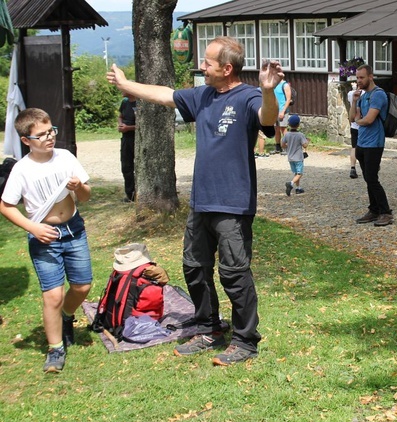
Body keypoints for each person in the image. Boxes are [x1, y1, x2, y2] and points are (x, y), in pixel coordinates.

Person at [106, 36, 280, 366]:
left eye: (208, 62)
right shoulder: (203, 96)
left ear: (226, 69)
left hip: (232, 204)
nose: (201, 66)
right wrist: (128, 84)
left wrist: (269, 90)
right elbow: (164, 95)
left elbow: (268, 119)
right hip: (201, 202)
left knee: (234, 272)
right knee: (195, 267)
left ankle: (245, 340)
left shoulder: (248, 97)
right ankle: (208, 327)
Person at [0, 108, 93, 373]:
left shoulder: (65, 157)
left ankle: (66, 316)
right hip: (44, 235)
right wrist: (34, 228)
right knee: (52, 295)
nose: (50, 137)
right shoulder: (21, 170)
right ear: (26, 140)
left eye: (51, 131)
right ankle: (55, 350)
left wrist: (80, 188)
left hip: (74, 230)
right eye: (41, 135)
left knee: (82, 287)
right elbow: (6, 206)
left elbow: (85, 197)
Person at [349, 64, 393, 227]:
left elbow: (368, 120)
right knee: (368, 178)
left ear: (371, 77)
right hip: (361, 142)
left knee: (372, 178)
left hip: (374, 143)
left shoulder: (378, 95)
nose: (359, 81)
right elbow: (352, 118)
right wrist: (354, 101)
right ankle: (374, 210)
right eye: (357, 78)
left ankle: (385, 212)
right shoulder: (361, 95)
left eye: (361, 77)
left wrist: (358, 120)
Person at [282, 114, 310, 195]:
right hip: (298, 157)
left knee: (296, 173)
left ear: (289, 124)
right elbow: (304, 145)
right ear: (298, 125)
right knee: (300, 173)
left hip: (290, 157)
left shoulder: (286, 134)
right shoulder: (300, 135)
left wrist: (288, 146)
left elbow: (283, 145)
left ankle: (298, 188)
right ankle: (290, 183)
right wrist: (308, 141)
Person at [118, 91, 137, 202]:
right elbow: (120, 116)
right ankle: (130, 195)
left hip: (136, 139)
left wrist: (128, 127)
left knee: (138, 167)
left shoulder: (139, 104)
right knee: (126, 166)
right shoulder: (125, 102)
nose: (121, 90)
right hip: (126, 139)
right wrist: (120, 124)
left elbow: (142, 124)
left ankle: (138, 193)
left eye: (123, 88)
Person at [274, 76, 293, 154]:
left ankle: (286, 147)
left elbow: (288, 99)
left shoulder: (285, 85)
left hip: (282, 110)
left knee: (283, 129)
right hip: (274, 110)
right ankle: (278, 146)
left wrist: (283, 111)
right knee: (276, 129)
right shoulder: (274, 84)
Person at [346, 83, 359, 178]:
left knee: (354, 147)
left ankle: (353, 168)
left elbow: (349, 97)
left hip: (354, 126)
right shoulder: (366, 94)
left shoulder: (351, 93)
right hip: (363, 125)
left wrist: (353, 88)